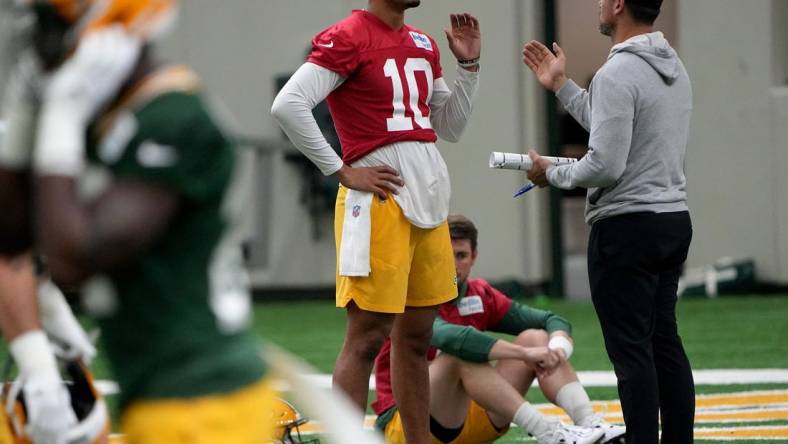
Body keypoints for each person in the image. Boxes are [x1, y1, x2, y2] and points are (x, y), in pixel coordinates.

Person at [3, 1, 276, 442]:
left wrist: (60, 120)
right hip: (165, 399)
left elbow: (73, 258)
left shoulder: (172, 117)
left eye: (52, 23)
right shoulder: (111, 118)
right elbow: (10, 233)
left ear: (109, 22)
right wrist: (25, 125)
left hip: (204, 405)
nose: (39, 41)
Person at [272, 2, 481, 442]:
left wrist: (470, 66)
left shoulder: (422, 42)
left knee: (416, 338)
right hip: (379, 202)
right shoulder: (348, 35)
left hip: (427, 197)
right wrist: (340, 169)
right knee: (366, 337)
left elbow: (451, 126)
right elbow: (288, 104)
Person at [523, 0, 694, 442]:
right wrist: (561, 85)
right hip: (671, 220)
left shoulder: (617, 72)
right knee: (665, 345)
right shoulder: (672, 66)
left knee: (632, 352)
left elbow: (605, 164)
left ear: (618, 5)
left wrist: (552, 174)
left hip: (626, 228)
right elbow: (611, 128)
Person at [372, 214, 623, 444]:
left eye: (460, 255)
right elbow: (452, 338)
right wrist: (524, 355)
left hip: (466, 422)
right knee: (457, 357)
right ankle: (549, 433)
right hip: (406, 426)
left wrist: (557, 346)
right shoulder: (410, 294)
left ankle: (591, 424)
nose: (453, 265)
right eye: (444, 255)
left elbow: (550, 320)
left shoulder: (479, 294)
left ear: (474, 257)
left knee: (535, 338)